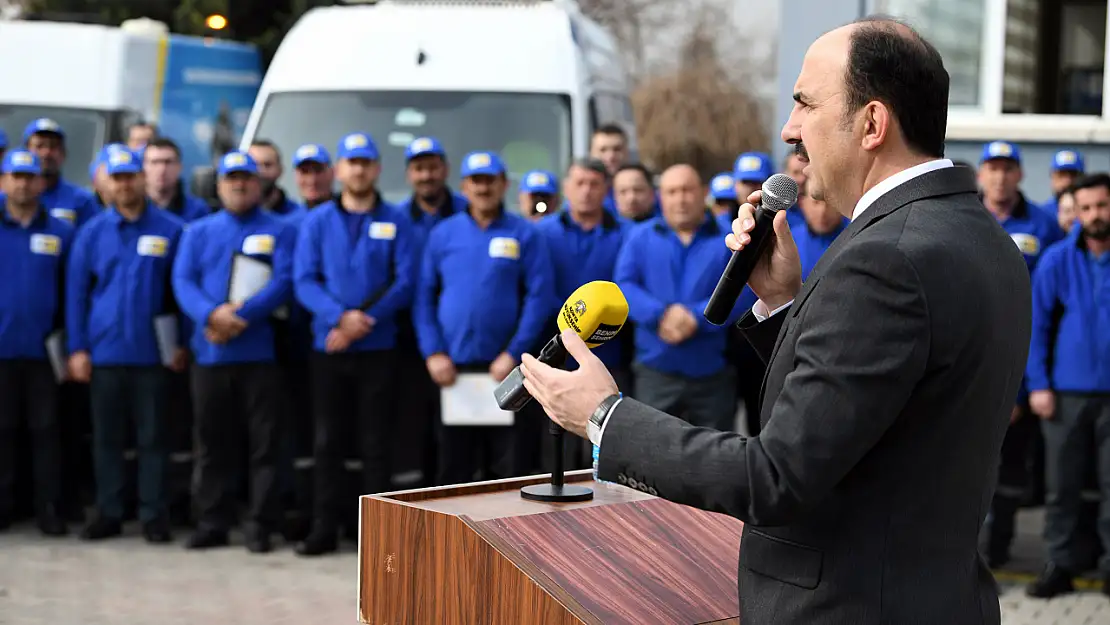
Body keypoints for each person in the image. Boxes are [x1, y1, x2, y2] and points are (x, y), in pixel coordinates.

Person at [518, 18, 1031, 624]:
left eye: (806, 104)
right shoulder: (978, 235)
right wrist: (787, 304)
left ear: (871, 123)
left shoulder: (885, 257)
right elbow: (875, 410)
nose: (790, 130)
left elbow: (775, 476)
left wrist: (605, 417)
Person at [293, 132, 416, 556]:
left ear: (377, 169)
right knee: (328, 441)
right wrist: (338, 318)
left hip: (378, 349)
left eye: (366, 162)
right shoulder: (317, 221)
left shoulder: (396, 219)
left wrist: (364, 320)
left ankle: (376, 535)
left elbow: (405, 280)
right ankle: (325, 526)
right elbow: (304, 280)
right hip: (330, 349)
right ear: (339, 170)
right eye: (352, 162)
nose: (359, 170)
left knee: (375, 443)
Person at [172, 151, 295, 553]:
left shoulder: (280, 229)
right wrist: (212, 314)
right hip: (211, 355)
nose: (239, 185)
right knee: (211, 445)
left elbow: (285, 279)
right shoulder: (198, 232)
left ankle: (260, 525)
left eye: (246, 178)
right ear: (219, 185)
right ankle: (212, 521)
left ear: (259, 184)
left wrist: (244, 315)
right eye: (231, 179)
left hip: (259, 354)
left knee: (264, 446)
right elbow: (183, 281)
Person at [66, 148, 186, 543]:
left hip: (153, 356)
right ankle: (109, 511)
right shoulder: (91, 233)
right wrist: (78, 349)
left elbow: (179, 293)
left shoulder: (171, 229)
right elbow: (77, 296)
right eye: (117, 177)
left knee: (154, 438)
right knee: (107, 440)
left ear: (142, 178)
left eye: (131, 175)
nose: (125, 184)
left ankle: (153, 514)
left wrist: (181, 344)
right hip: (104, 355)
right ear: (107, 183)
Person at [414, 150, 555, 485]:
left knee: (508, 468)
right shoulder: (443, 234)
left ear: (503, 184)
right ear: (464, 186)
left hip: (504, 370)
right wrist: (433, 352)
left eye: (490, 180)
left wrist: (513, 354)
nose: (483, 188)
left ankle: (504, 539)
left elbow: (539, 298)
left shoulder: (525, 234)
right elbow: (423, 298)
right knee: (452, 468)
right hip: (452, 370)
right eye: (476, 181)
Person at [1024, 172, 1110, 599]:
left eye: (1103, 206)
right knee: (1063, 489)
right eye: (1087, 207)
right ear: (1076, 212)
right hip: (1066, 395)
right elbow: (1036, 327)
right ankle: (1059, 565)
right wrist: (1038, 384)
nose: (1095, 215)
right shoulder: (1057, 260)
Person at [614, 164, 741, 432]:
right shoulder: (640, 237)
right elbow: (624, 285)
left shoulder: (729, 239)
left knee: (715, 460)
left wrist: (696, 317)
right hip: (655, 371)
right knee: (650, 455)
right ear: (661, 196)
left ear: (704, 193)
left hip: (711, 374)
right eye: (672, 192)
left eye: (687, 190)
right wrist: (660, 314)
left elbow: (744, 292)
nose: (680, 199)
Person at [0, 150, 72, 536]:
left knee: (47, 433)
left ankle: (49, 509)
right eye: (15, 176)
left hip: (45, 352)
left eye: (29, 177)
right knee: (3, 432)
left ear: (41, 182)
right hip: (1, 348)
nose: (23, 183)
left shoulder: (60, 233)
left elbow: (73, 291)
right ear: (3, 181)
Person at [22, 118, 100, 228]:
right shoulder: (9, 198)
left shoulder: (82, 200)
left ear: (63, 154)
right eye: (39, 146)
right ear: (25, 152)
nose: (46, 153)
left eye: (53, 147)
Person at [1041, 149, 1084, 216]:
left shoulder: (1091, 214)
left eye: (1073, 175)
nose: (1067, 182)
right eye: (1061, 175)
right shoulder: (1043, 214)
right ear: (1052, 178)